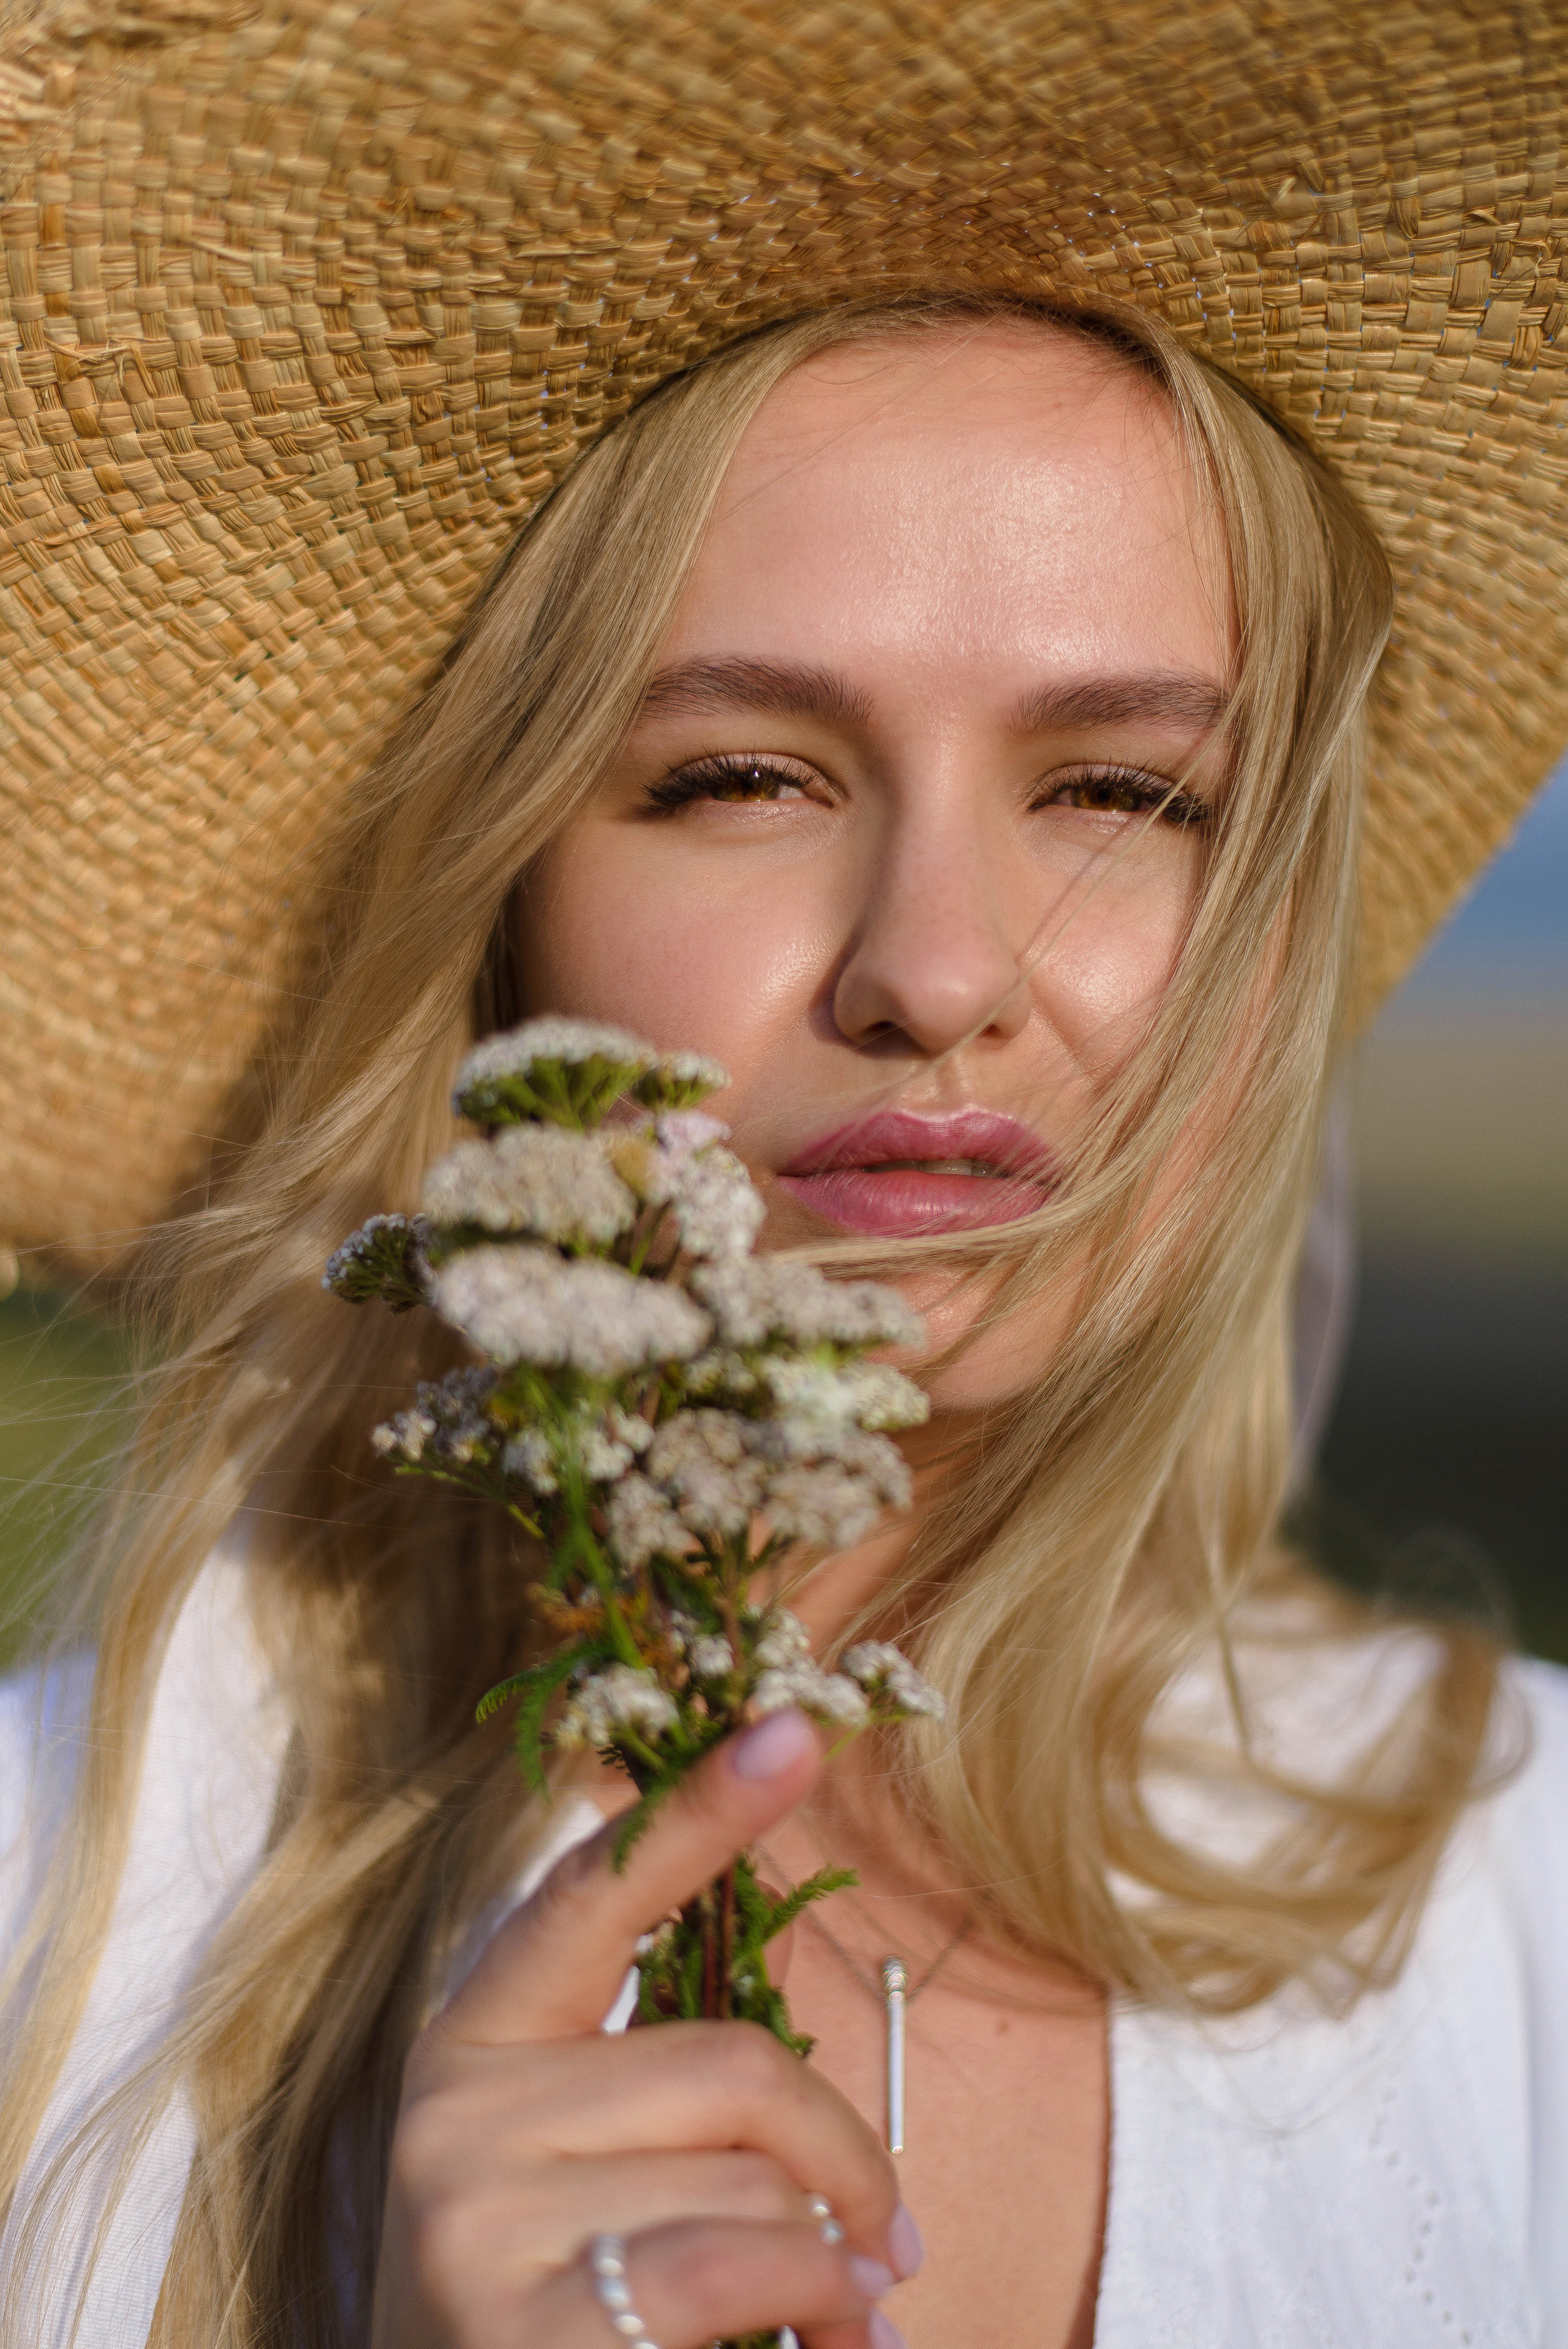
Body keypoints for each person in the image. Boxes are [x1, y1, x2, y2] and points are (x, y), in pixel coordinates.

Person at [1, 10, 1565, 2349]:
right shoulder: (52, 1933)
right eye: (739, 773)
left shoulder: (1526, 1919)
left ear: (1272, 920)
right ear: (501, 898)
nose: (937, 972)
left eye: (1123, 792)